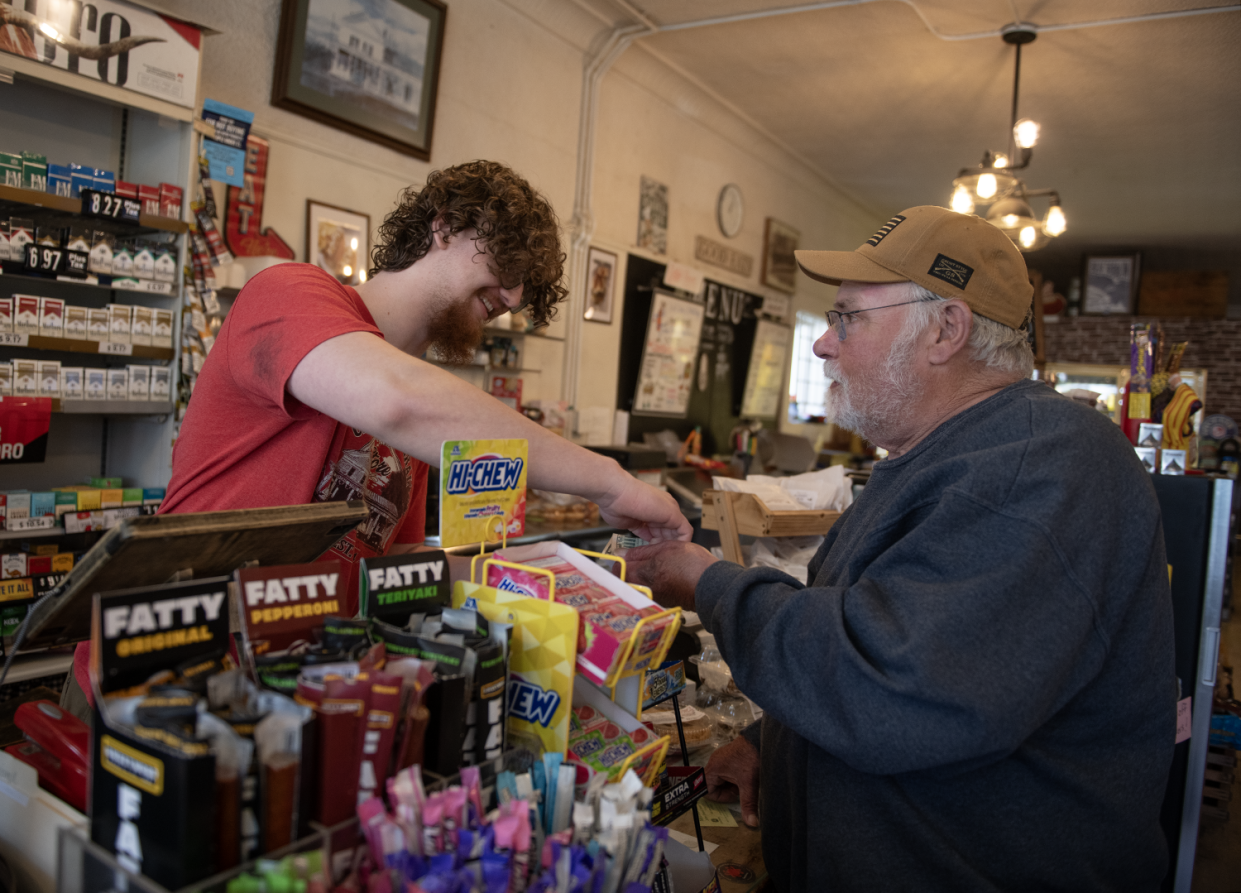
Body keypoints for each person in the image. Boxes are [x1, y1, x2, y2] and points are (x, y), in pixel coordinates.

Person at [627, 206, 1175, 891]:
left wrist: (709, 583)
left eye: (845, 317)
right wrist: (772, 743)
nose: (824, 344)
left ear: (946, 329)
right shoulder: (943, 456)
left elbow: (898, 690)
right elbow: (890, 626)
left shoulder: (1040, 464)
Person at [65, 160, 689, 712]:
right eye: (507, 264)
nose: (516, 296)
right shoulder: (289, 293)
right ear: (443, 226)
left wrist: (574, 581)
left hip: (276, 698)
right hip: (149, 679)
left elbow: (395, 567)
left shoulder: (423, 414)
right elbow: (398, 401)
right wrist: (613, 480)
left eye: (530, 285)